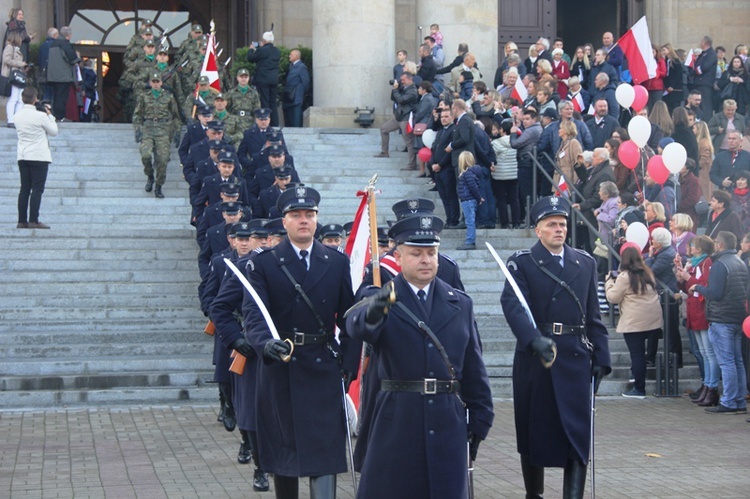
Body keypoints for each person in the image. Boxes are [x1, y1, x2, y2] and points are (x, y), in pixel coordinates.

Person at [345, 213, 494, 498]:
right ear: (399, 257)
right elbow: (356, 325)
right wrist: (374, 310)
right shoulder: (384, 297)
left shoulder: (459, 303)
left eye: (431, 252)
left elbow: (473, 367)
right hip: (398, 419)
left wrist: (480, 418)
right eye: (416, 253)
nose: (426, 260)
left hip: (446, 420)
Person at [242, 186, 358, 499]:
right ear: (285, 221)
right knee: (285, 452)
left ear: (317, 220)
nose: (303, 220)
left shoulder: (335, 262)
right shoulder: (265, 264)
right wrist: (266, 344)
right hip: (282, 367)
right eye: (296, 215)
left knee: (324, 452)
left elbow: (348, 317)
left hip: (322, 366)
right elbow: (254, 315)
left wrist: (349, 363)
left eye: (309, 215)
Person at [501, 195, 611, 499]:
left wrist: (601, 355)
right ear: (538, 230)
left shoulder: (585, 262)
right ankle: (533, 494)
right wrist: (532, 339)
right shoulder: (522, 262)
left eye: (562, 224)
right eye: (551, 224)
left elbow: (593, 314)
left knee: (577, 432)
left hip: (575, 356)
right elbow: (514, 305)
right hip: (537, 359)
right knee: (533, 430)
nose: (559, 229)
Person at [691, 231, 749, 414]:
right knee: (737, 361)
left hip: (721, 318)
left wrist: (698, 287)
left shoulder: (720, 264)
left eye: (716, 242)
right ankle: (738, 400)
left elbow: (715, 293)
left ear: (720, 245)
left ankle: (730, 401)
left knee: (727, 362)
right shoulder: (740, 262)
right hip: (737, 317)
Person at [605, 246, 663, 398]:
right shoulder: (648, 272)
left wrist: (609, 282)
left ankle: (639, 388)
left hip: (634, 321)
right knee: (642, 356)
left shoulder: (625, 276)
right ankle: (638, 378)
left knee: (637, 355)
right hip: (653, 319)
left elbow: (613, 297)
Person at [675, 235, 718, 406]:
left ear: (699, 248)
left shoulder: (707, 262)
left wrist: (687, 278)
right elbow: (689, 286)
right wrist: (681, 276)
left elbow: (702, 285)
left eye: (693, 245)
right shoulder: (696, 263)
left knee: (709, 352)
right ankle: (707, 384)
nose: (690, 248)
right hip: (694, 309)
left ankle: (711, 386)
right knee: (702, 351)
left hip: (702, 310)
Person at [132, 72, 181, 198]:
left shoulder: (168, 97)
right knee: (146, 156)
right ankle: (150, 177)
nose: (155, 84)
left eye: (157, 81)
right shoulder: (144, 96)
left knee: (163, 160)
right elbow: (137, 114)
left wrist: (177, 131)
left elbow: (176, 116)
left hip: (163, 130)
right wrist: (137, 129)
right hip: (148, 129)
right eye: (153, 81)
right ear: (150, 83)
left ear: (161, 83)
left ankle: (159, 186)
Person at [14, 87, 57, 229]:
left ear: (22, 99)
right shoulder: (41, 116)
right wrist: (49, 114)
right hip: (39, 156)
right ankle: (33, 219)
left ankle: (21, 220)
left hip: (23, 156)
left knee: (24, 188)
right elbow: (53, 131)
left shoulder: (17, 116)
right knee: (37, 189)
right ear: (35, 99)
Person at [644, 227, 681, 367]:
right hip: (661, 295)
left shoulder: (666, 254)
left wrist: (650, 257)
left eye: (653, 239)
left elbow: (650, 272)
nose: (651, 241)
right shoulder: (665, 252)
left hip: (668, 295)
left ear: (659, 242)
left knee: (671, 328)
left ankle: (674, 359)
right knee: (656, 327)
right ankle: (651, 357)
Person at [375, 70, 418, 170]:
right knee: (384, 129)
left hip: (405, 118)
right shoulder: (404, 88)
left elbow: (402, 100)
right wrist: (396, 89)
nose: (401, 81)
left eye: (403, 80)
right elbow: (393, 98)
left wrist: (396, 90)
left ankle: (412, 164)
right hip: (398, 116)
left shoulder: (413, 91)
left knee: (409, 141)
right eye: (401, 80)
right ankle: (384, 152)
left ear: (410, 79)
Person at [430, 107, 460, 228]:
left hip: (446, 168)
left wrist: (440, 164)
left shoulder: (454, 130)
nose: (443, 119)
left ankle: (454, 220)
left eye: (446, 116)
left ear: (452, 117)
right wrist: (432, 163)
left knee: (451, 195)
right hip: (437, 169)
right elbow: (434, 148)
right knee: (444, 197)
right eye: (442, 117)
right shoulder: (441, 131)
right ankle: (448, 219)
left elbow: (450, 151)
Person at [510, 107, 542, 221]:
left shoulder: (531, 130)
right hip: (528, 163)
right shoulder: (534, 129)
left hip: (526, 163)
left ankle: (532, 218)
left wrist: (513, 133)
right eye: (523, 119)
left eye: (527, 119)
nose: (525, 121)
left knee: (527, 194)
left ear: (534, 119)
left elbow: (515, 144)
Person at [491, 119, 521, 228]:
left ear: (502, 130)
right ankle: (516, 222)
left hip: (499, 175)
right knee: (514, 198)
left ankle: (505, 223)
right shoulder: (517, 142)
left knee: (501, 199)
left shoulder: (496, 143)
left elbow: (491, 157)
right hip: (514, 174)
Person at [46, 26, 80, 121]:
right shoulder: (65, 44)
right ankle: (60, 117)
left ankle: (55, 116)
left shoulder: (53, 44)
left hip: (52, 75)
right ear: (68, 35)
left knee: (56, 96)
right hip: (63, 76)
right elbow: (73, 59)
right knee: (62, 97)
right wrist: (78, 57)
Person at [247, 31, 281, 126]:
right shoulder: (277, 51)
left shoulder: (262, 50)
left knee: (264, 102)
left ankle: (266, 123)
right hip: (273, 80)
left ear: (264, 40)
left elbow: (251, 58)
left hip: (263, 80)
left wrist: (251, 49)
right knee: (272, 102)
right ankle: (275, 124)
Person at [456, 151, 484, 250]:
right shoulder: (471, 172)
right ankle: (470, 241)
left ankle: (470, 241)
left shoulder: (467, 173)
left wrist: (478, 197)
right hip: (468, 200)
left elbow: (473, 187)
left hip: (468, 200)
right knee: (470, 220)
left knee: (470, 221)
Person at [226, 68, 261, 132]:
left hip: (249, 122)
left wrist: (256, 123)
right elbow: (226, 108)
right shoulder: (231, 92)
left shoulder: (254, 93)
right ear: (237, 78)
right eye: (241, 77)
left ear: (248, 78)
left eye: (246, 77)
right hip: (234, 122)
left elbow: (257, 109)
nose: (243, 79)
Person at [2, 31, 26, 127]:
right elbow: (6, 60)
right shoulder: (9, 47)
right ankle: (11, 120)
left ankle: (16, 119)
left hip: (18, 77)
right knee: (13, 98)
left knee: (20, 99)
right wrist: (20, 64)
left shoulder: (16, 49)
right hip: (12, 77)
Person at [283, 49, 310, 128]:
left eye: (291, 54)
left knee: (296, 118)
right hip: (290, 96)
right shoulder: (291, 66)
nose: (289, 56)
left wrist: (301, 92)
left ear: (296, 56)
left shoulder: (301, 67)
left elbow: (306, 82)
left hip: (297, 96)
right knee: (290, 118)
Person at [694, 120, 715, 199]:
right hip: (703, 170)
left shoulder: (703, 142)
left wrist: (697, 166)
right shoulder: (702, 141)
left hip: (703, 171)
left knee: (704, 191)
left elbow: (704, 157)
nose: (693, 130)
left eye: (694, 128)